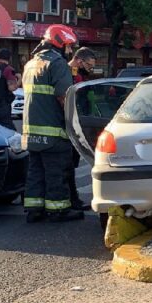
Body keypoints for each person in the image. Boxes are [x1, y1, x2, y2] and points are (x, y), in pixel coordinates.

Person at [22, 24, 81, 223]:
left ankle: (34, 209)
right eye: (69, 46)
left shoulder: (31, 63)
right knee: (57, 172)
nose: (70, 50)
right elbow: (64, 97)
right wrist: (76, 120)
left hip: (31, 133)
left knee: (35, 172)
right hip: (53, 132)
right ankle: (58, 210)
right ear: (60, 43)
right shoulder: (57, 63)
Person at [66, 48, 96, 211]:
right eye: (89, 65)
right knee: (68, 166)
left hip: (78, 123)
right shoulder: (67, 74)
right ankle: (71, 199)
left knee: (71, 165)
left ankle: (71, 198)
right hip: (70, 125)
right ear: (79, 61)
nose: (90, 69)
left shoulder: (79, 75)